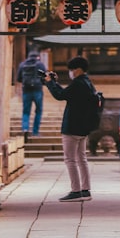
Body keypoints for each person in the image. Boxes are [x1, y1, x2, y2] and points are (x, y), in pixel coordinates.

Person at [43, 56, 96, 201]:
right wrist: (54, 82)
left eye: (71, 70)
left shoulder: (78, 83)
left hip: (72, 126)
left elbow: (60, 95)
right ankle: (85, 189)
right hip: (83, 126)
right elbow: (67, 94)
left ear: (78, 70)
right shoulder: (87, 83)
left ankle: (75, 190)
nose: (70, 72)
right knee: (82, 158)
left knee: (70, 160)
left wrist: (49, 84)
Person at [16, 47, 47, 137]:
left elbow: (18, 78)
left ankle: (25, 128)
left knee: (26, 111)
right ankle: (35, 132)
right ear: (37, 56)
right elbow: (45, 77)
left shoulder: (22, 64)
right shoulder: (40, 64)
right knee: (38, 111)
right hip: (38, 90)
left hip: (26, 90)